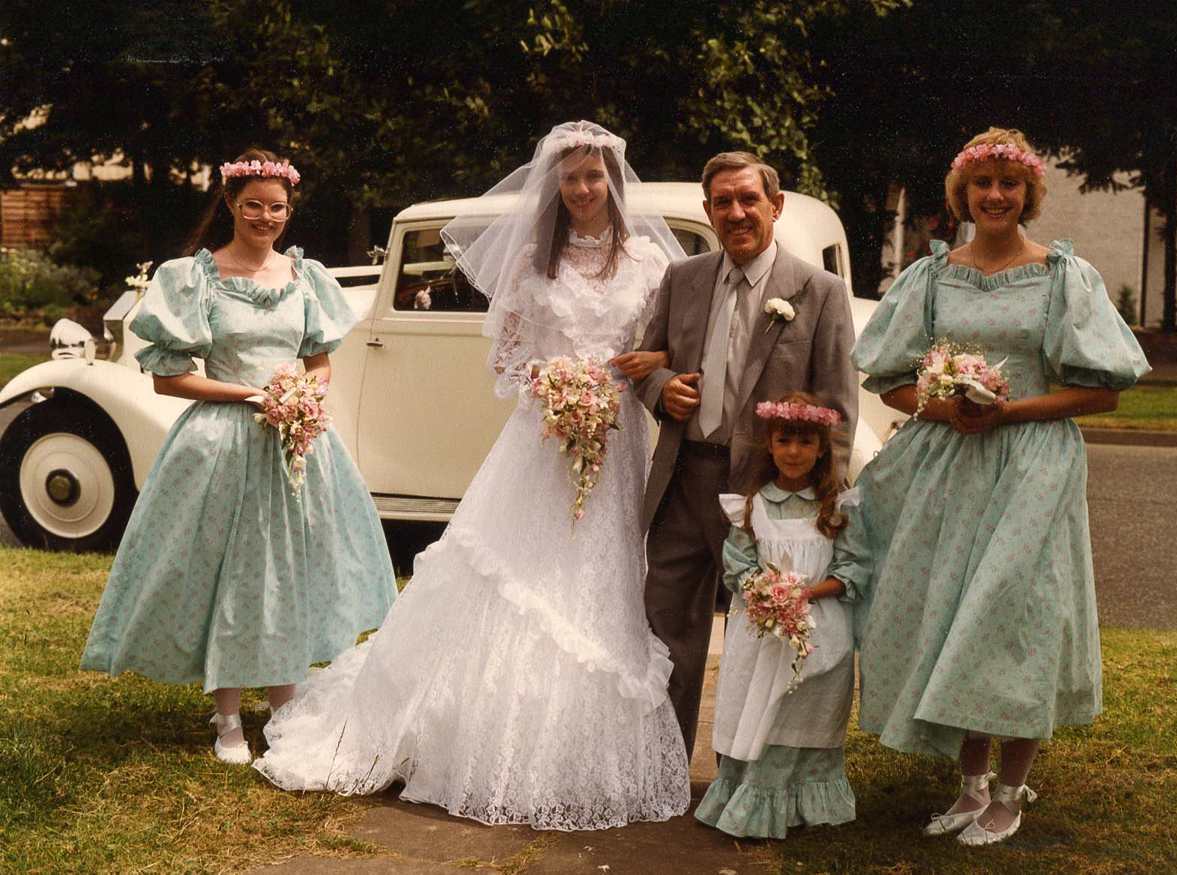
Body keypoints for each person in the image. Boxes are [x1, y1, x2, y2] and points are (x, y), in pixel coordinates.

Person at [253, 121, 692, 830]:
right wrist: (555, 387)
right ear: (554, 186)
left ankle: (571, 749)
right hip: (543, 433)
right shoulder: (533, 261)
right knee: (516, 567)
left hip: (614, 441)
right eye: (570, 178)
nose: (582, 189)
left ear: (613, 181)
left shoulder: (647, 262)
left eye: (593, 176)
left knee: (599, 576)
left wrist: (611, 386)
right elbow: (507, 359)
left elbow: (661, 347)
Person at [826, 127, 1151, 845]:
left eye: (1009, 183)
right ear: (962, 193)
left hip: (1034, 463)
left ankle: (1010, 789)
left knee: (1015, 612)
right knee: (954, 611)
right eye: (982, 183)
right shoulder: (931, 276)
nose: (995, 195)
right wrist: (946, 407)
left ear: (1028, 194)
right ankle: (972, 785)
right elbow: (889, 380)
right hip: (949, 463)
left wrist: (1009, 411)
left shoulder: (1063, 276)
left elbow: (1103, 393)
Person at [80, 149, 397, 764]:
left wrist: (303, 395)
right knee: (228, 569)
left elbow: (319, 361)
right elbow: (169, 378)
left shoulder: (304, 276)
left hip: (295, 441)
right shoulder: (195, 277)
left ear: (289, 210)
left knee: (288, 566)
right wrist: (252, 394)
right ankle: (227, 714)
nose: (265, 217)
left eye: (276, 208)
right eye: (253, 205)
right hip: (222, 440)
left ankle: (285, 701)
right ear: (230, 203)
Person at [634, 151, 858, 759]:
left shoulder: (818, 291)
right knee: (666, 629)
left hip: (770, 493)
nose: (736, 212)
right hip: (684, 480)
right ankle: (663, 773)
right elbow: (648, 364)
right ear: (708, 211)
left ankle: (743, 773)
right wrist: (662, 389)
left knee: (761, 632)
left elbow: (837, 405)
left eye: (748, 199)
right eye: (723, 202)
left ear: (774, 206)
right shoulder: (682, 279)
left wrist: (824, 501)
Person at [694, 392, 857, 839]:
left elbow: (851, 568)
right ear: (769, 444)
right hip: (763, 630)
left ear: (821, 449)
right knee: (760, 710)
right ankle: (751, 797)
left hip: (818, 628)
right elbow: (738, 566)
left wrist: (804, 593)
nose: (793, 452)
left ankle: (802, 802)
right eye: (784, 440)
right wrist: (767, 593)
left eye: (805, 442)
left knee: (802, 711)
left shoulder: (835, 508)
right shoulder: (751, 507)